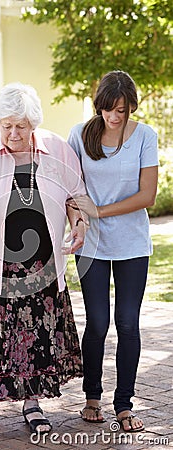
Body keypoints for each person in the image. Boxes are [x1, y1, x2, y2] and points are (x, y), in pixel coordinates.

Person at [0, 82, 88, 435]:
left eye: (21, 126)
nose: (13, 134)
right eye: (6, 125)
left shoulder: (57, 149)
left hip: (41, 261)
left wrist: (79, 224)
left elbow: (75, 197)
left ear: (34, 123)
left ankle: (32, 400)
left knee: (35, 333)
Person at [67, 70, 158, 432]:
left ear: (131, 106)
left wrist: (100, 211)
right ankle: (92, 397)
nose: (114, 117)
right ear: (99, 107)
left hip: (132, 245)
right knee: (98, 323)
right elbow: (71, 190)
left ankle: (123, 404)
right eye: (108, 110)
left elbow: (147, 195)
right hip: (90, 245)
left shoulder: (145, 137)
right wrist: (78, 220)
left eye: (121, 110)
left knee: (127, 324)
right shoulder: (80, 134)